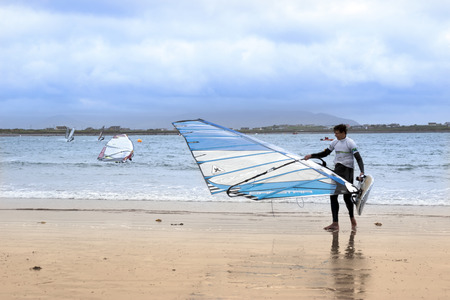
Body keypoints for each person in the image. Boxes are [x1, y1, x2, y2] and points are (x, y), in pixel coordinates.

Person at [303, 124, 364, 231]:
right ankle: (335, 223)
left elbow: (358, 158)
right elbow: (325, 153)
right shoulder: (334, 142)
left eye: (337, 133)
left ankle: (352, 219)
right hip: (337, 170)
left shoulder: (350, 142)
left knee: (346, 197)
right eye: (334, 133)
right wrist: (311, 155)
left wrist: (362, 172)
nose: (335, 135)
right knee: (333, 196)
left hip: (347, 170)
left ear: (343, 132)